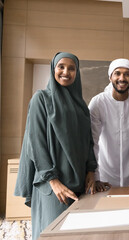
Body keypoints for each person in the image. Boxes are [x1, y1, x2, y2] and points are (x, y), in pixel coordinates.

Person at [14, 52, 98, 239]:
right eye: (61, 66)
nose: (65, 72)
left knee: (74, 233)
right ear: (53, 69)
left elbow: (88, 141)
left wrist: (91, 171)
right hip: (52, 184)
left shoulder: (81, 106)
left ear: (77, 73)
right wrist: (52, 180)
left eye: (71, 68)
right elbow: (36, 142)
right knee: (52, 232)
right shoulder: (41, 99)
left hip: (77, 181)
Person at [88, 59, 129, 190]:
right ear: (110, 77)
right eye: (117, 73)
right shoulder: (98, 102)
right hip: (103, 176)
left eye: (127, 74)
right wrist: (95, 177)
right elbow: (93, 141)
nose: (122, 78)